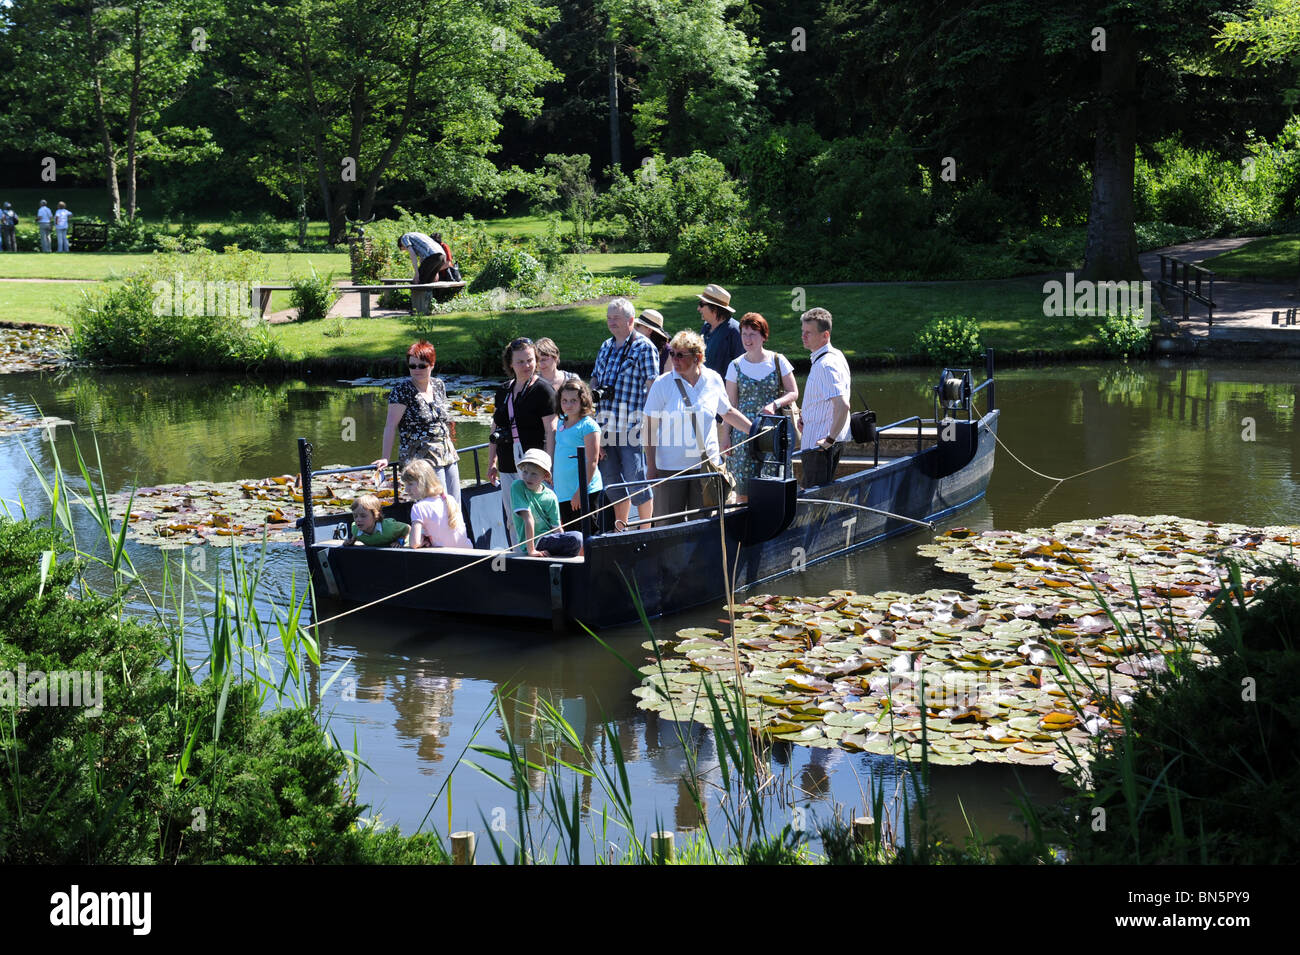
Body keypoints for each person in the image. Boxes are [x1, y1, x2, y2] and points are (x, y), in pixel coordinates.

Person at [643, 330, 752, 524]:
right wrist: (651, 467)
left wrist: (755, 431)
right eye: (672, 354)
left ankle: (701, 556)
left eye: (680, 355)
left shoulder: (713, 379)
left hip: (705, 467)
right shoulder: (662, 384)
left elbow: (726, 412)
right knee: (667, 526)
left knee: (703, 525)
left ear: (698, 357)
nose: (674, 359)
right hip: (669, 468)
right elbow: (649, 427)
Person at [590, 298, 659, 529]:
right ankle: (622, 528)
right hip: (605, 426)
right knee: (612, 482)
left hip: (632, 427)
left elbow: (653, 387)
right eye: (609, 318)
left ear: (630, 320)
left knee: (637, 480)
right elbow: (595, 379)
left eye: (616, 319)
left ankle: (645, 530)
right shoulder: (605, 346)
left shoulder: (644, 347)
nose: (611, 323)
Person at [488, 337, 556, 544]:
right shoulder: (504, 390)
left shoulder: (542, 389)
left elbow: (550, 430)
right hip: (508, 460)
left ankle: (542, 552)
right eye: (520, 362)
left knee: (538, 513)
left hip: (534, 462)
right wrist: (492, 462)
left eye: (530, 360)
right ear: (511, 363)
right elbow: (496, 426)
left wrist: (548, 466)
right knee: (513, 515)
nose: (526, 366)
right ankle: (519, 555)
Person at [374, 341, 461, 502]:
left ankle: (458, 528)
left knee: (455, 504)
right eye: (412, 366)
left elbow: (444, 419)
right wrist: (385, 457)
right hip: (422, 458)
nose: (416, 370)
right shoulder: (402, 391)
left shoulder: (438, 385)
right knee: (438, 506)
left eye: (422, 366)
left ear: (432, 365)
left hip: (447, 453)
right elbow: (390, 426)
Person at [724, 313, 799, 502]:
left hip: (773, 431)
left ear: (764, 336)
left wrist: (774, 404)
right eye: (744, 334)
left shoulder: (777, 360)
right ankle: (746, 527)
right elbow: (730, 405)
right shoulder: (735, 366)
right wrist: (725, 436)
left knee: (773, 484)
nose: (747, 339)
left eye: (753, 334)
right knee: (743, 489)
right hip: (743, 433)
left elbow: (793, 392)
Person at [798, 307, 851, 488]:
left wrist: (829, 440)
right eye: (803, 332)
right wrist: (805, 418)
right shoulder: (835, 356)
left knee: (814, 500)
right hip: (823, 442)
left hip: (820, 446)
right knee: (819, 496)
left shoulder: (826, 364)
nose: (803, 336)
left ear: (825, 335)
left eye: (809, 333)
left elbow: (843, 405)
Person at [510, 449, 583, 557]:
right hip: (534, 543)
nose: (528, 477)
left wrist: (562, 540)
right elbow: (528, 519)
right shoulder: (518, 486)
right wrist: (531, 551)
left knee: (580, 539)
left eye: (534, 474)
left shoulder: (551, 496)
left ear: (545, 476)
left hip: (549, 540)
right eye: (525, 472)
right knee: (576, 538)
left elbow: (556, 528)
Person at [552, 379, 603, 528]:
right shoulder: (561, 422)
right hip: (563, 492)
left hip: (583, 491)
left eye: (573, 400)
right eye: (565, 401)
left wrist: (580, 492)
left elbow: (592, 462)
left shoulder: (588, 425)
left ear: (583, 401)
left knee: (584, 536)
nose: (568, 405)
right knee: (570, 536)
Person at [403, 460, 472, 548]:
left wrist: (423, 541)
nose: (406, 489)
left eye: (410, 484)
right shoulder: (449, 499)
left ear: (423, 483)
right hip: (468, 551)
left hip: (446, 557)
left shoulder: (418, 507)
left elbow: (414, 543)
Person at [697, 284, 743, 378]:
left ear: (714, 309)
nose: (698, 309)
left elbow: (741, 368)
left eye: (701, 305)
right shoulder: (706, 327)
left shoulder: (734, 331)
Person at [345, 493, 409, 547]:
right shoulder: (355, 528)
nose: (358, 520)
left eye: (363, 516)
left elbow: (407, 528)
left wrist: (400, 541)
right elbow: (355, 534)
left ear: (376, 516)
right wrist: (351, 541)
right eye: (355, 516)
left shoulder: (389, 527)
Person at [634, 308, 672, 374]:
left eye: (638, 325)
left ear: (649, 330)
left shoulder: (667, 351)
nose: (634, 328)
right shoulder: (635, 345)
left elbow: (668, 381)